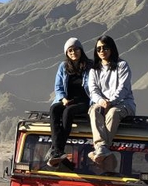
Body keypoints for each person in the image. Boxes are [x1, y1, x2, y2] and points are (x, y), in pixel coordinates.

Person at [87, 35, 136, 164]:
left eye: (105, 47)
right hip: (102, 103)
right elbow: (93, 90)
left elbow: (124, 88)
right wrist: (101, 101)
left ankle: (101, 148)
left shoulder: (122, 65)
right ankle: (101, 147)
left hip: (123, 103)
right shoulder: (93, 70)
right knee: (94, 110)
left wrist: (111, 102)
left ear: (112, 48)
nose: (102, 51)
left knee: (113, 113)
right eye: (99, 49)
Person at [46, 37, 91, 166]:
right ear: (66, 53)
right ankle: (58, 151)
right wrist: (63, 98)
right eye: (70, 50)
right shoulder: (63, 66)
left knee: (68, 112)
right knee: (54, 109)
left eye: (76, 49)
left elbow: (93, 86)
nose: (73, 52)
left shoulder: (89, 66)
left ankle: (57, 150)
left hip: (84, 101)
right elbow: (58, 86)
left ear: (81, 50)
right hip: (66, 99)